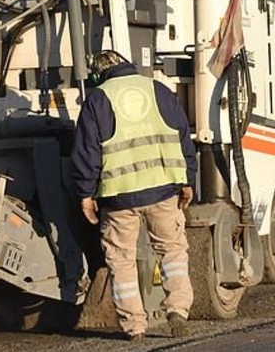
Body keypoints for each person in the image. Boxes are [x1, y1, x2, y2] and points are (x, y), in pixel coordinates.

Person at [71, 50, 196, 341]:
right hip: (164, 190)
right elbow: (182, 135)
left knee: (121, 260)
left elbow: (87, 153)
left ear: (98, 74)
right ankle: (177, 309)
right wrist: (188, 180)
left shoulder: (97, 99)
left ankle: (134, 327)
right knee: (173, 251)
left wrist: (85, 194)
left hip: (118, 198)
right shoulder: (158, 89)